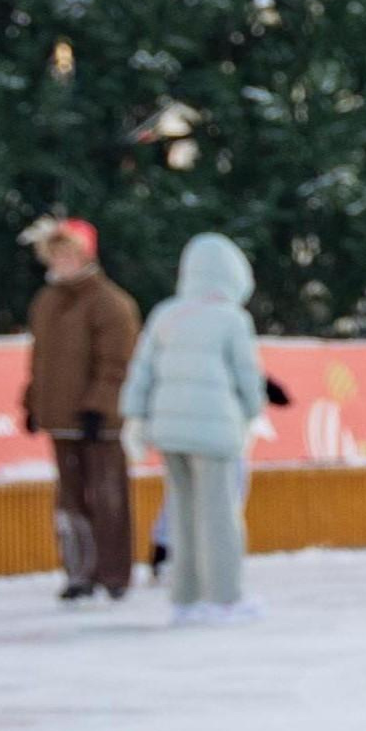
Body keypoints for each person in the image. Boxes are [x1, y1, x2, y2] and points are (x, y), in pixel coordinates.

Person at [122, 232, 270, 625]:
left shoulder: (166, 313)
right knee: (219, 515)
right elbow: (246, 375)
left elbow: (142, 370)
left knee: (183, 513)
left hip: (169, 431)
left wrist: (134, 418)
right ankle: (224, 598)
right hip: (216, 431)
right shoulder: (231, 318)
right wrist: (254, 413)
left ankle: (185, 598)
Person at [18, 215, 140, 603]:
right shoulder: (47, 301)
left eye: (69, 253)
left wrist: (99, 407)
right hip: (61, 418)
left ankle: (114, 573)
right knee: (69, 501)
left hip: (98, 421)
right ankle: (78, 573)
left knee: (107, 496)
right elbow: (41, 360)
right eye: (55, 254)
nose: (62, 261)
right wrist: (34, 402)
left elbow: (116, 363)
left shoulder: (110, 303)